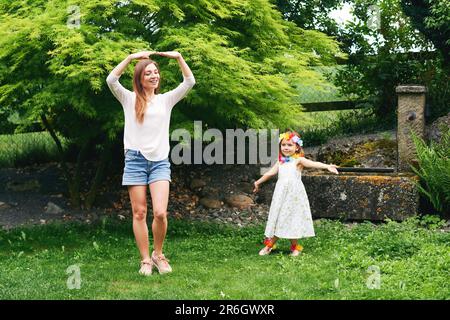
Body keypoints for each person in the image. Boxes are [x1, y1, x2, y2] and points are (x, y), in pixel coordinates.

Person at [106, 50, 195, 275]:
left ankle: (158, 254)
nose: (154, 76)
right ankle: (145, 259)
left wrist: (178, 58)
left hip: (159, 162)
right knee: (138, 212)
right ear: (140, 78)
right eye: (148, 73)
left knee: (160, 213)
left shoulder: (166, 100)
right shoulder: (129, 98)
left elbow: (189, 81)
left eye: (156, 72)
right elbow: (111, 80)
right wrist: (130, 58)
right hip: (135, 160)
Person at [253, 130, 339, 256]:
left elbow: (313, 164)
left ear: (297, 147)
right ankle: (276, 245)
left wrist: (327, 166)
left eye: (290, 145)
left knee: (290, 218)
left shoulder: (298, 161)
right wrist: (258, 182)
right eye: (284, 145)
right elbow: (270, 173)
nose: (286, 148)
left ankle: (288, 246)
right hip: (281, 195)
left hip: (293, 196)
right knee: (278, 218)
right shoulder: (281, 161)